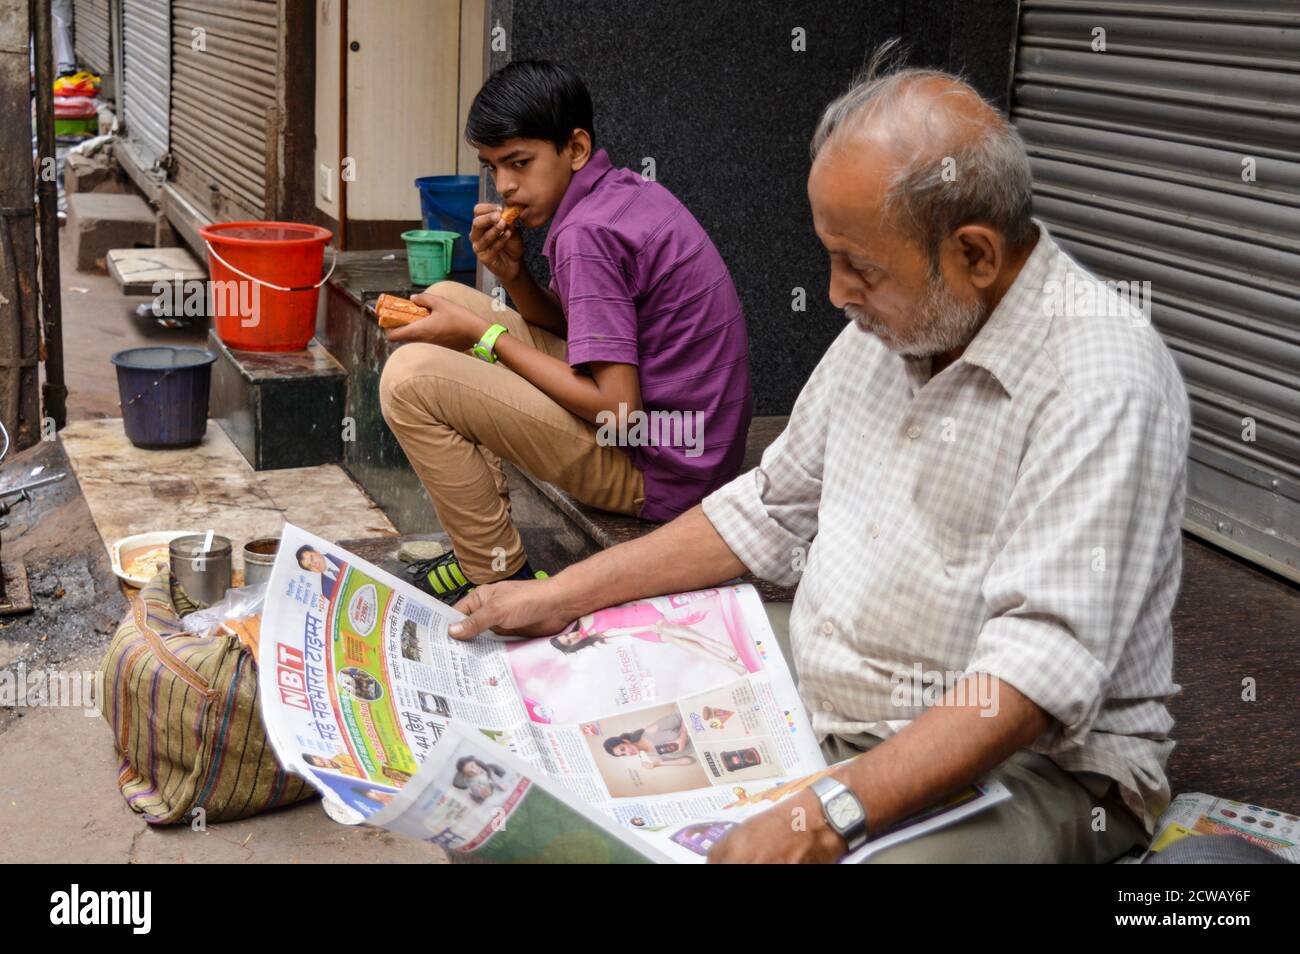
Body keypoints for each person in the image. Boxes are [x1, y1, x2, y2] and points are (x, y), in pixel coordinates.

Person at [442, 45, 1190, 864]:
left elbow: (1036, 674)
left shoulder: (1102, 378)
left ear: (974, 255)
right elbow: (768, 506)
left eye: (858, 267)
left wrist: (827, 815)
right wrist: (559, 597)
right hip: (835, 682)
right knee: (549, 706)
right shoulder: (891, 325)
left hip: (1035, 765)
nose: (834, 294)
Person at [379, 59, 753, 605]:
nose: (505, 186)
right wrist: (515, 277)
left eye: (520, 163)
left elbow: (617, 410)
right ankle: (486, 549)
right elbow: (597, 332)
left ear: (574, 149)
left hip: (661, 468)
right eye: (493, 167)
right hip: (689, 442)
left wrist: (487, 338)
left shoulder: (586, 233)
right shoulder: (622, 194)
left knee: (409, 378)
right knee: (452, 299)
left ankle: (497, 574)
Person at [549, 604, 747, 675]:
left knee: (672, 632)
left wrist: (651, 625)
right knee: (675, 638)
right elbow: (620, 631)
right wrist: (650, 628)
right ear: (575, 646)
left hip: (640, 614)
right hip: (640, 628)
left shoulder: (583, 620)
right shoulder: (595, 636)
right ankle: (727, 662)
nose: (571, 636)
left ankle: (720, 647)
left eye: (567, 635)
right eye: (570, 641)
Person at [604, 713, 697, 768]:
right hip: (707, 744)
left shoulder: (650, 731)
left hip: (702, 723)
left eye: (623, 749)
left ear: (625, 741)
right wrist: (659, 764)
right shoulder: (653, 757)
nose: (628, 753)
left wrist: (683, 736)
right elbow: (690, 760)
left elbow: (684, 714)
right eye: (624, 755)